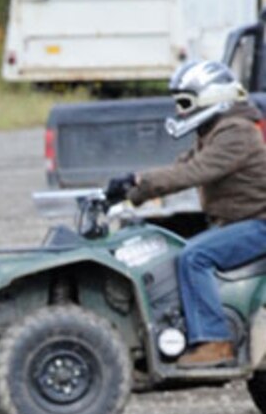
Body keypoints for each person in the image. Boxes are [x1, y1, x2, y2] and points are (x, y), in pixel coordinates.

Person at [103, 58, 266, 367]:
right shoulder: (214, 131)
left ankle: (215, 340)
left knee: (195, 256)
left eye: (185, 102)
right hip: (238, 222)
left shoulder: (236, 132)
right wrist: (128, 191)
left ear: (212, 96)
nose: (180, 111)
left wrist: (141, 181)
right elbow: (181, 166)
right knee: (169, 248)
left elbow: (194, 172)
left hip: (259, 223)